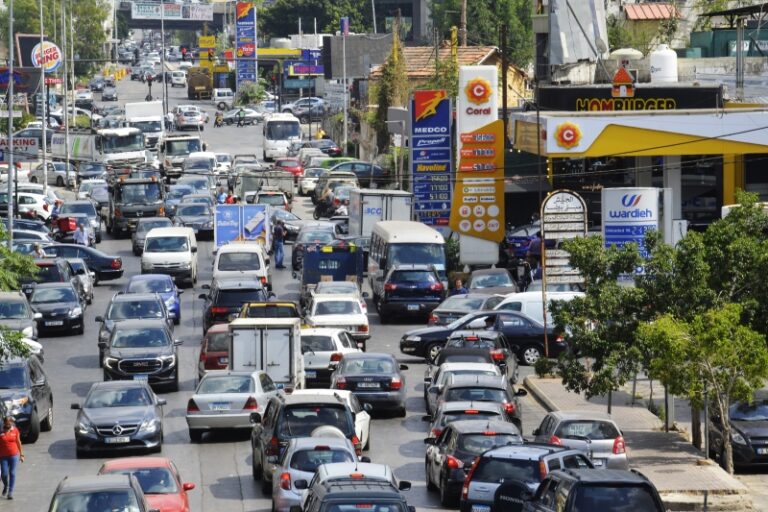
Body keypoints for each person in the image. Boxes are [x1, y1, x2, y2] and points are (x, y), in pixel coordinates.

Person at [0, 416, 24, 499]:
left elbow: (18, 442)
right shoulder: (1, 431)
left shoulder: (15, 430)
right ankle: (6, 485)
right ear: (4, 423)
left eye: (10, 423)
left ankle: (10, 492)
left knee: (12, 473)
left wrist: (21, 454)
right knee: (4, 474)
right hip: (3, 456)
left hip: (14, 455)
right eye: (7, 423)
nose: (9, 424)